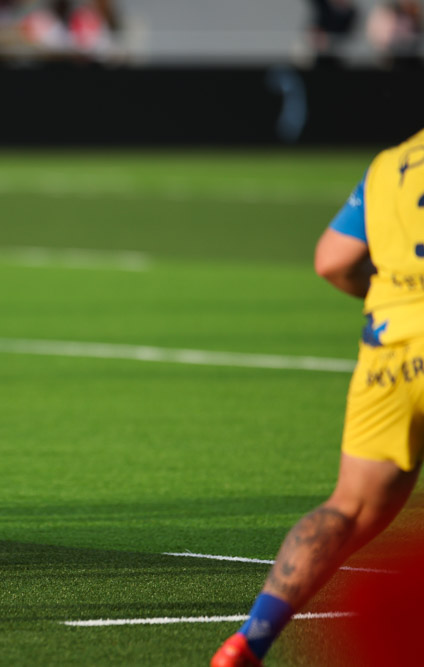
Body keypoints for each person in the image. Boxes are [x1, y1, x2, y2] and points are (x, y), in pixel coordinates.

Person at [211, 130, 424, 666]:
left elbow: (333, 259)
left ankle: (249, 641)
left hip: (392, 348)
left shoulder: (392, 163)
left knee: (348, 507)